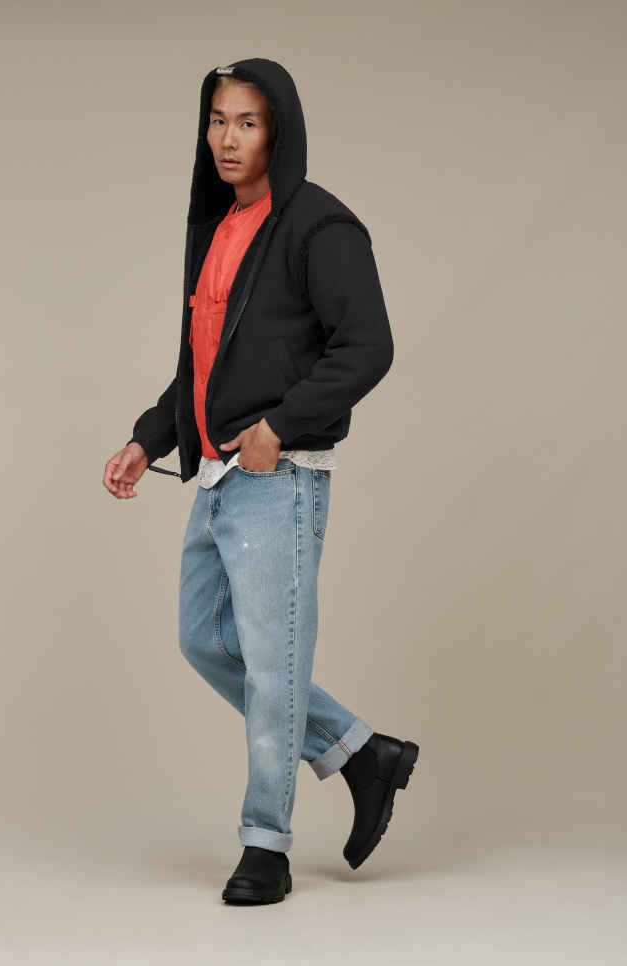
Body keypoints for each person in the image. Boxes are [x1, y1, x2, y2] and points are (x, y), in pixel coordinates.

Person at [103, 57, 418, 905]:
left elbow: (369, 346)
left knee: (275, 668)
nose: (228, 138)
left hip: (280, 474)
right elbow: (204, 367)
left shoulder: (319, 225)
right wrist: (147, 437)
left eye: (246, 121)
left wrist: (280, 428)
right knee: (205, 640)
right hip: (216, 473)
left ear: (278, 128)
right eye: (217, 120)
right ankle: (361, 753)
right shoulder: (218, 228)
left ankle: (265, 847)